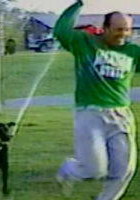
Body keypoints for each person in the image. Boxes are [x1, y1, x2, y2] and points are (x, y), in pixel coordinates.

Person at [54, 0, 140, 200]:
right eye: (118, 29)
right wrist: (79, 4)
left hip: (121, 115)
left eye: (127, 29)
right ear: (105, 28)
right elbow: (60, 31)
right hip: (90, 114)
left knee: (124, 169)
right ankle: (69, 169)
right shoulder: (84, 43)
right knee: (95, 169)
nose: (123, 34)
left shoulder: (133, 52)